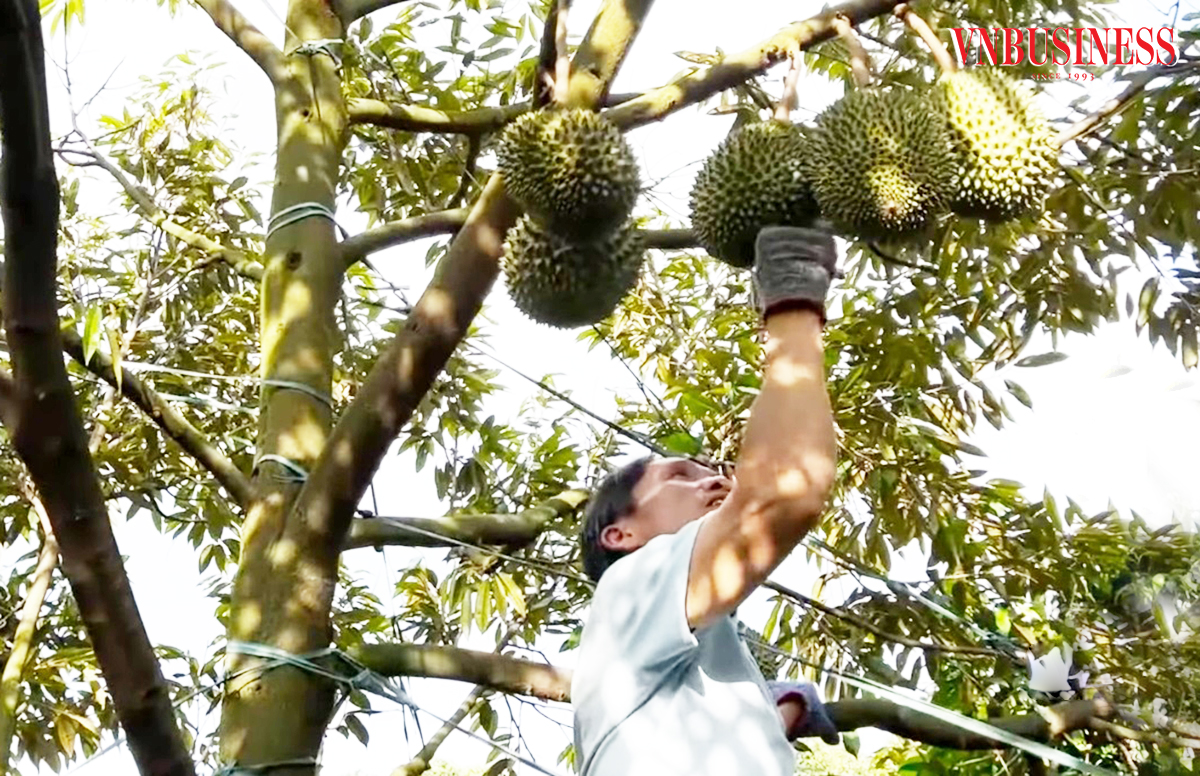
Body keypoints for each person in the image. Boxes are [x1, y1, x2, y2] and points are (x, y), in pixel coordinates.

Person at [571, 225, 841, 776]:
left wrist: (777, 711)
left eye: (712, 472)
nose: (716, 483)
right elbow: (783, 493)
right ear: (620, 535)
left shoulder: (679, 645)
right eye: (680, 475)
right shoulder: (628, 589)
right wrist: (792, 302)